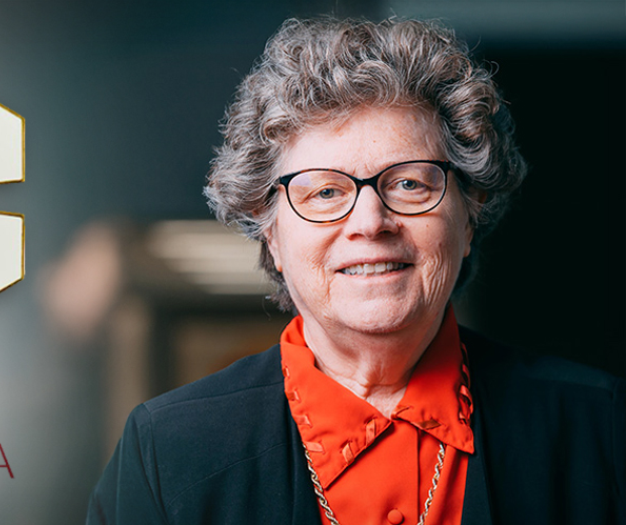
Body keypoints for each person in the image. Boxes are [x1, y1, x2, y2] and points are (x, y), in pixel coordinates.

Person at [87, 17, 625, 525]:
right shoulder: (166, 451)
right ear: (270, 233)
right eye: (325, 191)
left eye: (410, 184)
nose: (371, 222)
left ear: (469, 215)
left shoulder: (602, 429)